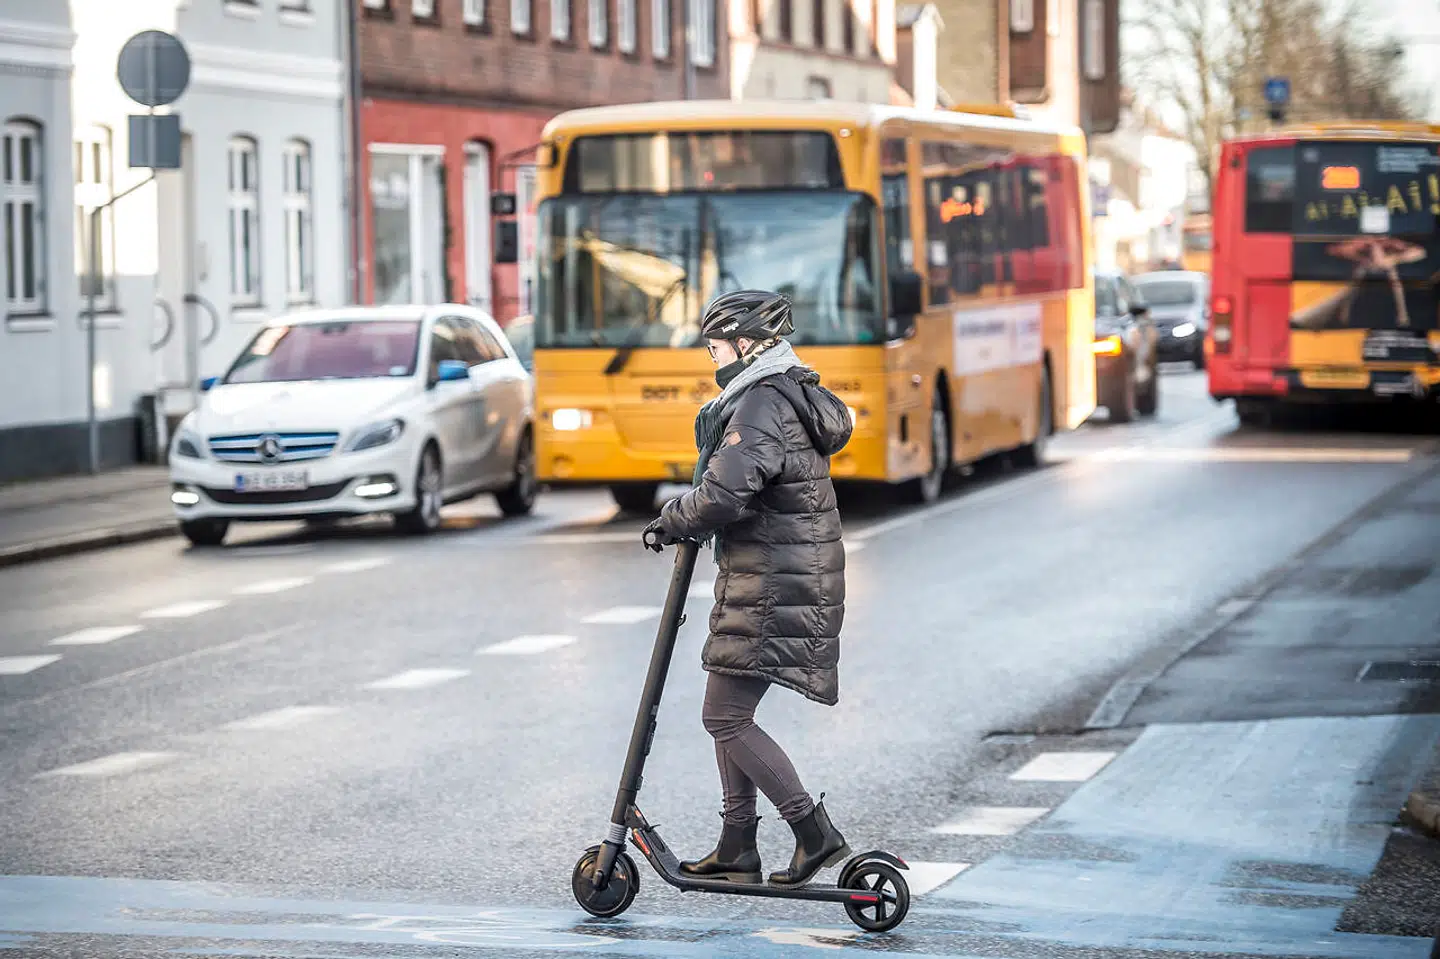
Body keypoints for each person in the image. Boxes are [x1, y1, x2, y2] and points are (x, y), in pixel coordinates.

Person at [642, 289, 854, 887]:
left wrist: (671, 518)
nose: (713, 359)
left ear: (746, 345)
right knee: (727, 710)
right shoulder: (778, 392)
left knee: (725, 715)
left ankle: (812, 832)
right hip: (772, 574)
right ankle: (737, 844)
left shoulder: (761, 402)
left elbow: (725, 492)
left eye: (715, 347)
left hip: (775, 582)